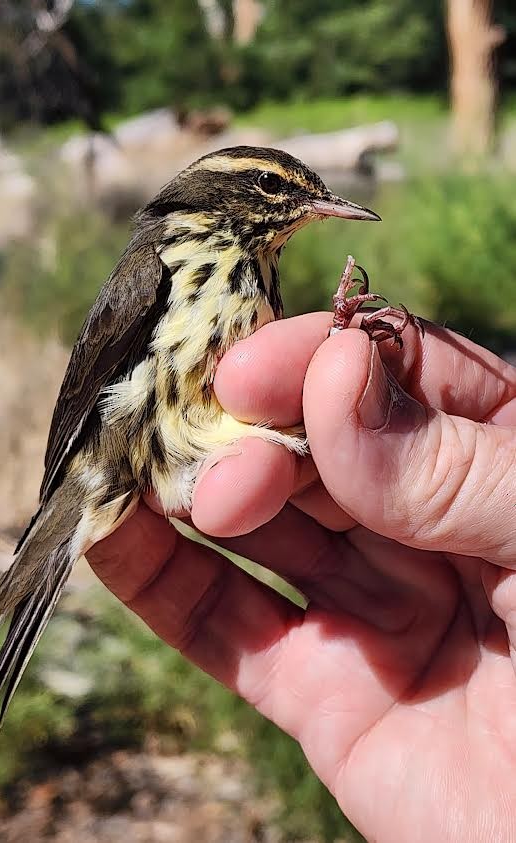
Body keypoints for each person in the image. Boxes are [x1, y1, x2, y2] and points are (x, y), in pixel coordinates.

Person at [86, 313, 516, 842]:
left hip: (221, 464)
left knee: (297, 430)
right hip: (166, 459)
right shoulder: (168, 267)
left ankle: (348, 377)